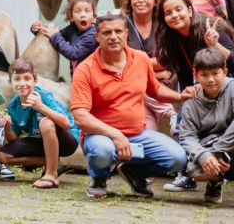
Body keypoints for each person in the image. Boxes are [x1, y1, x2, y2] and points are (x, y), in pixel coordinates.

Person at [156, 0, 234, 200]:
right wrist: (188, 93)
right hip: (206, 77)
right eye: (168, 12)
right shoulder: (172, 37)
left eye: (179, 9)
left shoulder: (210, 26)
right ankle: (194, 174)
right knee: (186, 116)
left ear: (190, 10)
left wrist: (214, 45)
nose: (174, 15)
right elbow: (185, 71)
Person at [71, 11, 196, 199]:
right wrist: (115, 134)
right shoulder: (85, 69)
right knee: (102, 151)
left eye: (118, 31)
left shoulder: (141, 59)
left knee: (178, 158)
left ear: (126, 33)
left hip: (138, 133)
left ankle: (135, 173)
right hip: (101, 136)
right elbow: (80, 116)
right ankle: (98, 177)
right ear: (96, 36)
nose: (113, 37)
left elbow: (154, 90)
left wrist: (180, 97)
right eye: (106, 33)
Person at [180, 48, 234, 211]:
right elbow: (187, 137)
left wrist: (219, 151)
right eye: (204, 74)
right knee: (192, 170)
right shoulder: (191, 100)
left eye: (215, 73)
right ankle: (215, 180)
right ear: (196, 74)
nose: (210, 79)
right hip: (208, 151)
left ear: (225, 72)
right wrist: (206, 156)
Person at [0, 58, 80, 189]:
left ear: (35, 80)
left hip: (67, 140)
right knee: (1, 155)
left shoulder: (43, 96)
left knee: (46, 122)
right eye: (17, 79)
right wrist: (7, 127)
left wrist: (40, 106)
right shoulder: (13, 105)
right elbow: (14, 139)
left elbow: (66, 124)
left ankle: (51, 174)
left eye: (27, 78)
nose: (22, 83)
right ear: (10, 82)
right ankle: (51, 161)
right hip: (41, 141)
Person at [121, 0, 177, 132]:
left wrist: (136, 64)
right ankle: (167, 111)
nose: (141, 0)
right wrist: (156, 71)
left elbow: (170, 59)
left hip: (161, 88)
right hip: (131, 90)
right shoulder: (120, 24)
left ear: (155, 1)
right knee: (147, 129)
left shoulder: (165, 25)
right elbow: (121, 62)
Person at [31, 0, 98, 78]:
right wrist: (38, 30)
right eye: (78, 11)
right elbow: (56, 36)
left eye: (87, 11)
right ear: (71, 17)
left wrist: (54, 35)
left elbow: (73, 53)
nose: (83, 15)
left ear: (94, 16)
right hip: (77, 77)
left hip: (91, 79)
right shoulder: (73, 28)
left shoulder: (93, 35)